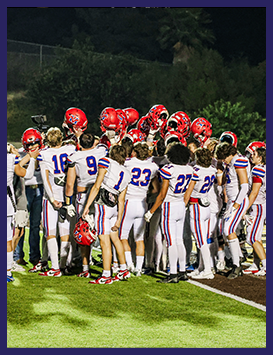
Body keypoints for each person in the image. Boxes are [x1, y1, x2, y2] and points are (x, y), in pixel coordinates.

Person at [82, 145, 132, 284]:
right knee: (115, 239)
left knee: (104, 242)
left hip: (103, 204)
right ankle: (123, 269)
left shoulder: (107, 162)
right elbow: (121, 199)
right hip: (114, 206)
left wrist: (87, 206)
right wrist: (119, 219)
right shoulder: (127, 173)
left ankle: (106, 275)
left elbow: (97, 186)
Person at [145, 142, 193, 283]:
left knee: (171, 242)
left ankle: (172, 273)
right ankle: (182, 271)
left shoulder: (169, 169)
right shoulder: (189, 169)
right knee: (179, 240)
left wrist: (151, 211)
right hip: (180, 204)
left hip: (170, 206)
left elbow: (162, 194)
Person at [65, 132, 108, 278]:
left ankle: (85, 268)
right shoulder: (101, 151)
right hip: (102, 196)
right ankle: (111, 266)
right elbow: (102, 144)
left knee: (84, 232)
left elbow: (70, 184)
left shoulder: (74, 157)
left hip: (83, 197)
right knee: (104, 231)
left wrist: (68, 202)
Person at [37, 127, 76, 277]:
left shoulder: (44, 154)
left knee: (50, 232)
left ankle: (54, 268)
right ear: (61, 139)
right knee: (65, 232)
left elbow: (45, 179)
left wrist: (52, 199)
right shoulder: (70, 149)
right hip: (67, 197)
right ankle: (64, 265)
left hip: (51, 198)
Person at [119, 142, 160, 275]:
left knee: (123, 236)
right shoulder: (153, 166)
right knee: (140, 238)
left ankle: (129, 264)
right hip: (143, 203)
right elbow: (155, 189)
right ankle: (139, 268)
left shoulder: (129, 163)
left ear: (135, 152)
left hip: (129, 202)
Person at [215, 142, 250, 279]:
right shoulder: (231, 162)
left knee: (228, 230)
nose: (223, 160)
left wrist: (236, 205)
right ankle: (238, 259)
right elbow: (223, 182)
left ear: (230, 154)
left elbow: (245, 186)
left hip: (238, 201)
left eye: (224, 157)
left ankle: (237, 264)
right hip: (232, 201)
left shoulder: (238, 161)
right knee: (224, 230)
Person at [183, 147, 217, 279]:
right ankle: (202, 267)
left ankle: (208, 270)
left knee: (200, 240)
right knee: (202, 240)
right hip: (206, 205)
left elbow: (189, 190)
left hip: (196, 205)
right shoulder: (212, 170)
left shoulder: (196, 171)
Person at [7, 144, 39, 282]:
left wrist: (30, 155)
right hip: (6, 203)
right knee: (7, 240)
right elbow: (28, 174)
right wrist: (32, 159)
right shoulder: (9, 159)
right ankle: (7, 272)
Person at [15, 128, 45, 269]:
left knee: (35, 225)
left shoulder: (45, 152)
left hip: (39, 188)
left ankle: (35, 256)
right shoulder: (20, 154)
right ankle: (18, 256)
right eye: (29, 145)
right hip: (24, 190)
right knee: (20, 224)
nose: (33, 147)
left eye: (35, 143)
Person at [243, 147, 266, 276]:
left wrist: (245, 208)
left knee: (251, 238)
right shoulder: (262, 168)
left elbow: (254, 192)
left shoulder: (258, 169)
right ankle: (256, 264)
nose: (252, 156)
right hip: (260, 205)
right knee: (256, 237)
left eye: (255, 154)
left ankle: (266, 265)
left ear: (260, 158)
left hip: (258, 206)